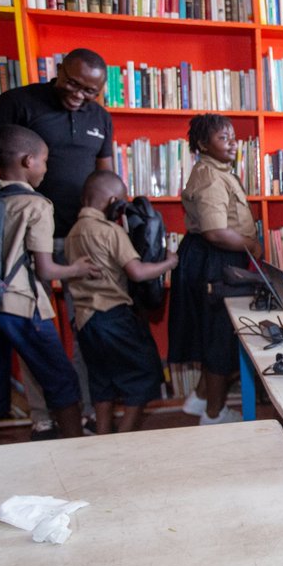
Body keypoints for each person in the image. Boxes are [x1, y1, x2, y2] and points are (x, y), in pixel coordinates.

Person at [0, 48, 113, 440]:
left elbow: (106, 175)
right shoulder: (18, 102)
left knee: (89, 323)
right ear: (58, 70)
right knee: (29, 324)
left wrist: (114, 224)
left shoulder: (100, 118)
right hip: (21, 241)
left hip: (81, 234)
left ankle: (84, 409)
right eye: (73, 83)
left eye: (90, 90)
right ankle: (45, 416)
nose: (79, 95)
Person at [0, 125, 100, 446]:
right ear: (28, 161)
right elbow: (45, 267)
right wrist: (77, 267)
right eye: (44, 161)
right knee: (61, 380)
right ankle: (77, 451)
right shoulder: (36, 205)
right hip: (20, 305)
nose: (46, 168)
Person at [64, 171, 179, 434]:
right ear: (114, 200)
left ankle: (104, 438)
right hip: (113, 315)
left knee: (102, 383)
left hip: (85, 321)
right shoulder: (110, 231)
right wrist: (168, 262)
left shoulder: (73, 233)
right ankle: (124, 438)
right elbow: (137, 272)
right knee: (145, 374)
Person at [169, 114, 261, 426]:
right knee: (220, 338)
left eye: (233, 136)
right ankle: (214, 415)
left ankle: (199, 399)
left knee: (216, 335)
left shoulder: (220, 171)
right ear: (202, 144)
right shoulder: (209, 175)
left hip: (217, 259)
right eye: (223, 137)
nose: (233, 142)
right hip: (215, 260)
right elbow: (216, 233)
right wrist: (254, 245)